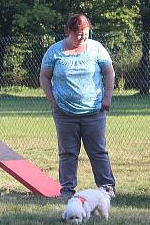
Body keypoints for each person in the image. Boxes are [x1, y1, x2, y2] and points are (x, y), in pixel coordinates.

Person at [39, 13, 116, 202]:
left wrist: (107, 97)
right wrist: (52, 100)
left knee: (98, 151)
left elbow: (109, 72)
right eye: (78, 34)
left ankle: (106, 188)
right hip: (64, 112)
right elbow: (44, 76)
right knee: (67, 152)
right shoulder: (55, 51)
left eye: (85, 33)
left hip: (94, 111)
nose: (82, 37)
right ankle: (67, 190)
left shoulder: (96, 48)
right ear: (68, 31)